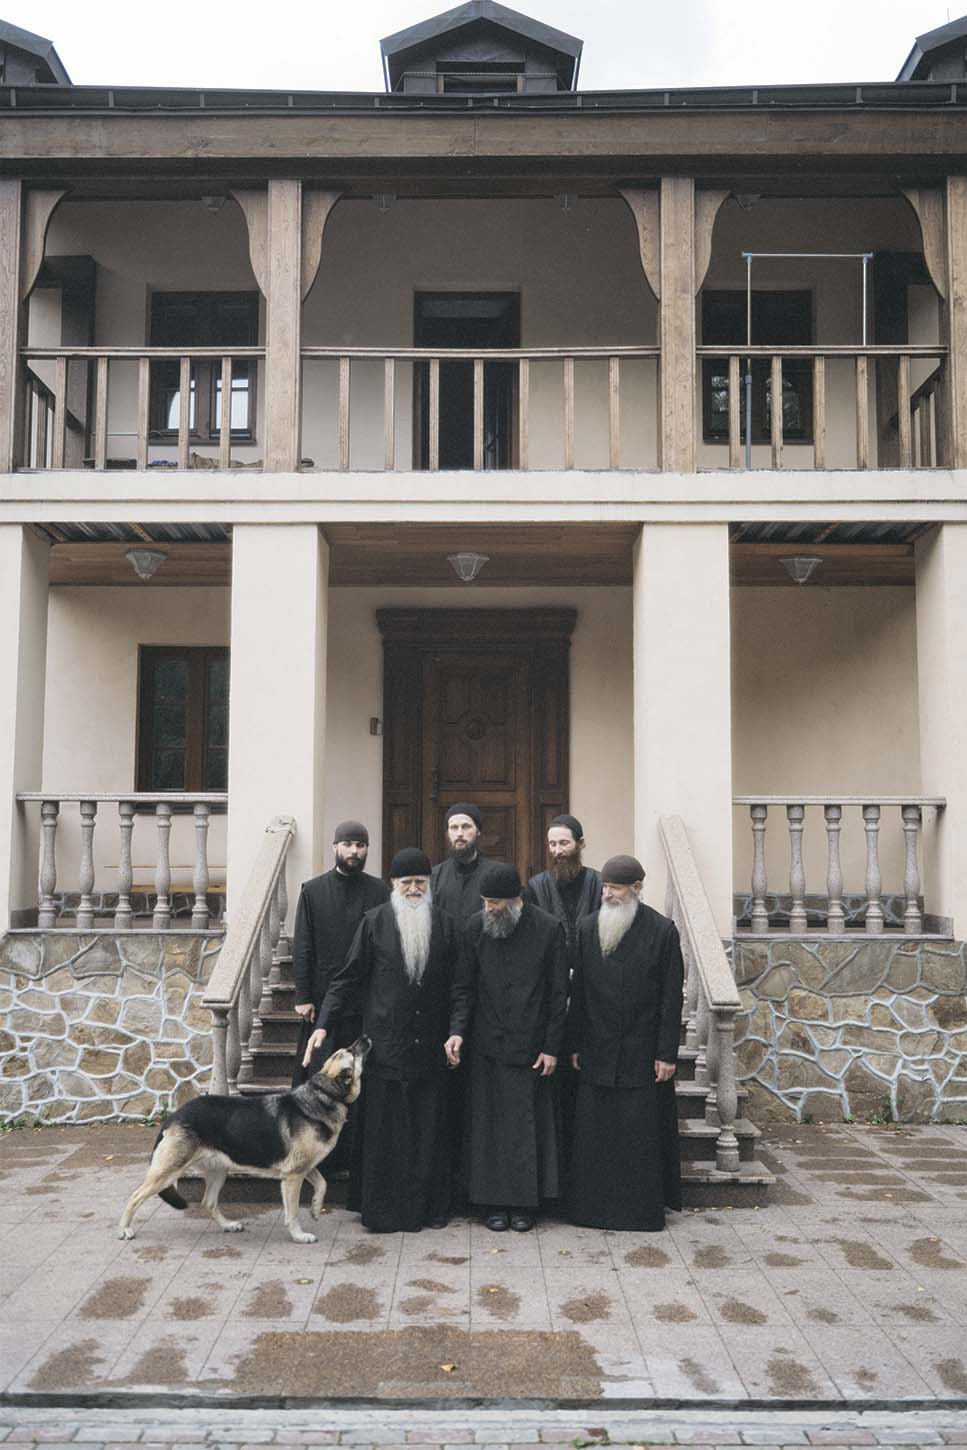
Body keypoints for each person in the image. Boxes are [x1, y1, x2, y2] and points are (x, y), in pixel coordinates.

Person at [302, 848, 469, 1234]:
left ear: (429, 885)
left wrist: (457, 1031)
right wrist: (323, 1025)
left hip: (430, 1048)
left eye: (420, 882)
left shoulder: (448, 926)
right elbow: (346, 979)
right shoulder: (374, 922)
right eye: (406, 882)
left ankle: (427, 1209)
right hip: (385, 1048)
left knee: (427, 1134)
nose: (414, 889)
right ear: (394, 884)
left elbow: (461, 988)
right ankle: (383, 1211)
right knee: (386, 1134)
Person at [567, 854, 684, 1233]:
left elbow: (671, 999)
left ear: (636, 888)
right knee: (595, 1138)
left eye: (615, 888)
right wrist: (575, 1044)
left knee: (637, 1139)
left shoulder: (663, 931)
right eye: (605, 887)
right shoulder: (587, 928)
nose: (608, 894)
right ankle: (591, 1211)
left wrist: (666, 1054)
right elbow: (578, 994)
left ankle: (639, 1214)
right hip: (596, 1051)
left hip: (641, 1053)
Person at [463, 862, 568, 1233]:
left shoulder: (548, 928)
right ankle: (492, 1203)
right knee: (489, 1128)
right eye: (486, 902)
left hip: (532, 1048)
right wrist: (458, 1033)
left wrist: (551, 1047)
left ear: (515, 900)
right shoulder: (474, 927)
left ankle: (525, 1206)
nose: (489, 909)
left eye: (496, 903)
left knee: (526, 1129)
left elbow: (558, 993)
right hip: (486, 1046)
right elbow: (464, 987)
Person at [291, 820, 389, 1164]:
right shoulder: (313, 891)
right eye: (347, 844)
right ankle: (320, 1157)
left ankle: (356, 1156)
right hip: (323, 1004)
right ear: (335, 847)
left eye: (360, 845)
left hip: (365, 1003)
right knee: (322, 1081)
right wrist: (303, 996)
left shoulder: (379, 891)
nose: (354, 851)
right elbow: (303, 945)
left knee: (360, 1081)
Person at [525, 815, 602, 945]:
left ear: (581, 843)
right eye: (552, 844)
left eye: (564, 843)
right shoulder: (536, 886)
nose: (557, 851)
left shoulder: (598, 883)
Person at [430, 802, 492, 920]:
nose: (459, 834)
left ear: (478, 831)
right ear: (448, 833)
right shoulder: (435, 877)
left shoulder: (495, 874)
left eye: (466, 826)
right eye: (454, 827)